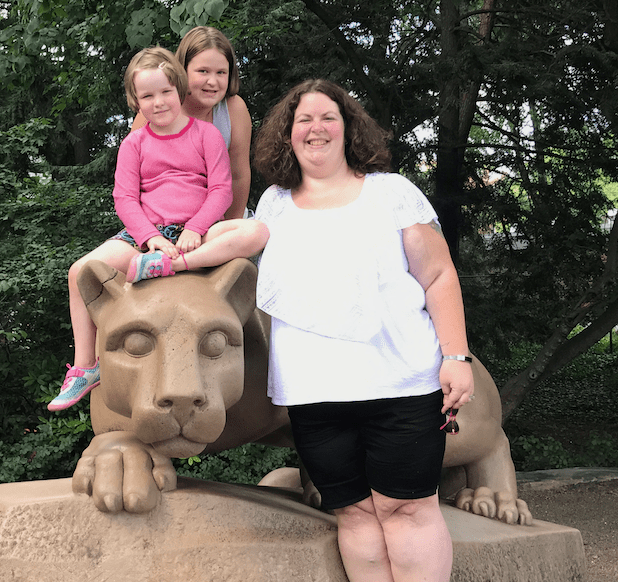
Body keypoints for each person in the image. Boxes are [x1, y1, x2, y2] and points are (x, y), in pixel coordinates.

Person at [251, 79, 474, 582]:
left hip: (402, 386)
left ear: (348, 127)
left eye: (327, 116)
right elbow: (227, 256)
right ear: (287, 134)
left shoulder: (390, 193)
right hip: (314, 394)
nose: (316, 128)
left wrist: (456, 357)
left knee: (407, 510)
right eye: (303, 119)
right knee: (354, 514)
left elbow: (439, 275)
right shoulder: (273, 205)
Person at [48, 47, 268, 412]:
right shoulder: (134, 143)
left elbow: (221, 190)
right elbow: (124, 198)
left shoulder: (206, 135)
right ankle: (86, 367)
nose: (158, 102)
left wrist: (196, 228)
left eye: (165, 92)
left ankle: (175, 266)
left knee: (256, 231)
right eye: (147, 96)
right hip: (144, 236)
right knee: (78, 272)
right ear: (136, 101)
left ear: (180, 90)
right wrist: (149, 237)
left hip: (198, 233)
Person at [131, 26, 252, 220]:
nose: (212, 81)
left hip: (218, 222)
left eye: (221, 72)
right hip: (160, 223)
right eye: (203, 71)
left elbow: (238, 177)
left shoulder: (234, 109)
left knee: (255, 233)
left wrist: (230, 228)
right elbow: (132, 182)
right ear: (182, 71)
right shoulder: (156, 110)